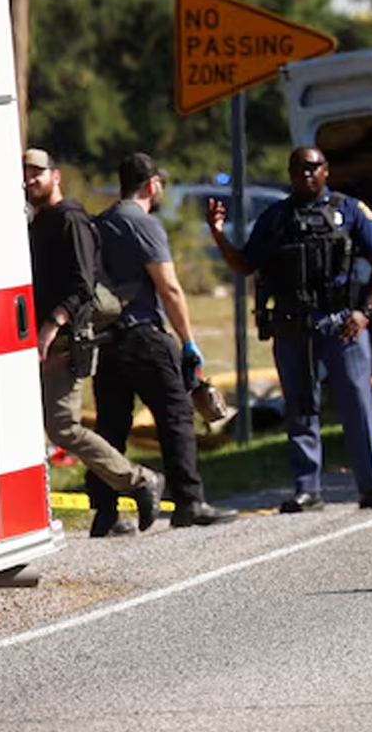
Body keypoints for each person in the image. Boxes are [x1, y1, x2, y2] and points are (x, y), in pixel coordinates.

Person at [206, 146, 372, 512]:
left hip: (343, 327)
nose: (306, 174)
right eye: (298, 168)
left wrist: (364, 313)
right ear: (290, 173)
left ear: (326, 170)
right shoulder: (276, 217)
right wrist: (218, 235)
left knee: (357, 407)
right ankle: (307, 489)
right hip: (293, 328)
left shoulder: (349, 211)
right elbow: (246, 265)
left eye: (312, 167)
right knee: (299, 409)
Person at [91, 153, 238, 528]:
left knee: (110, 427)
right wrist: (188, 340)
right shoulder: (145, 224)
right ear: (151, 185)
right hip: (144, 336)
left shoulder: (100, 223)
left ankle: (105, 513)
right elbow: (169, 287)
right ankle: (189, 502)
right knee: (175, 417)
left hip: (106, 341)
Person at [24, 149, 165, 538]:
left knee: (63, 428)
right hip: (41, 339)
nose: (30, 180)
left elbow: (83, 285)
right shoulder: (38, 222)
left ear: (56, 176)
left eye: (37, 173)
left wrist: (53, 324)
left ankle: (141, 480)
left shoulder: (71, 220)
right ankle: (99, 510)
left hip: (66, 339)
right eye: (25, 174)